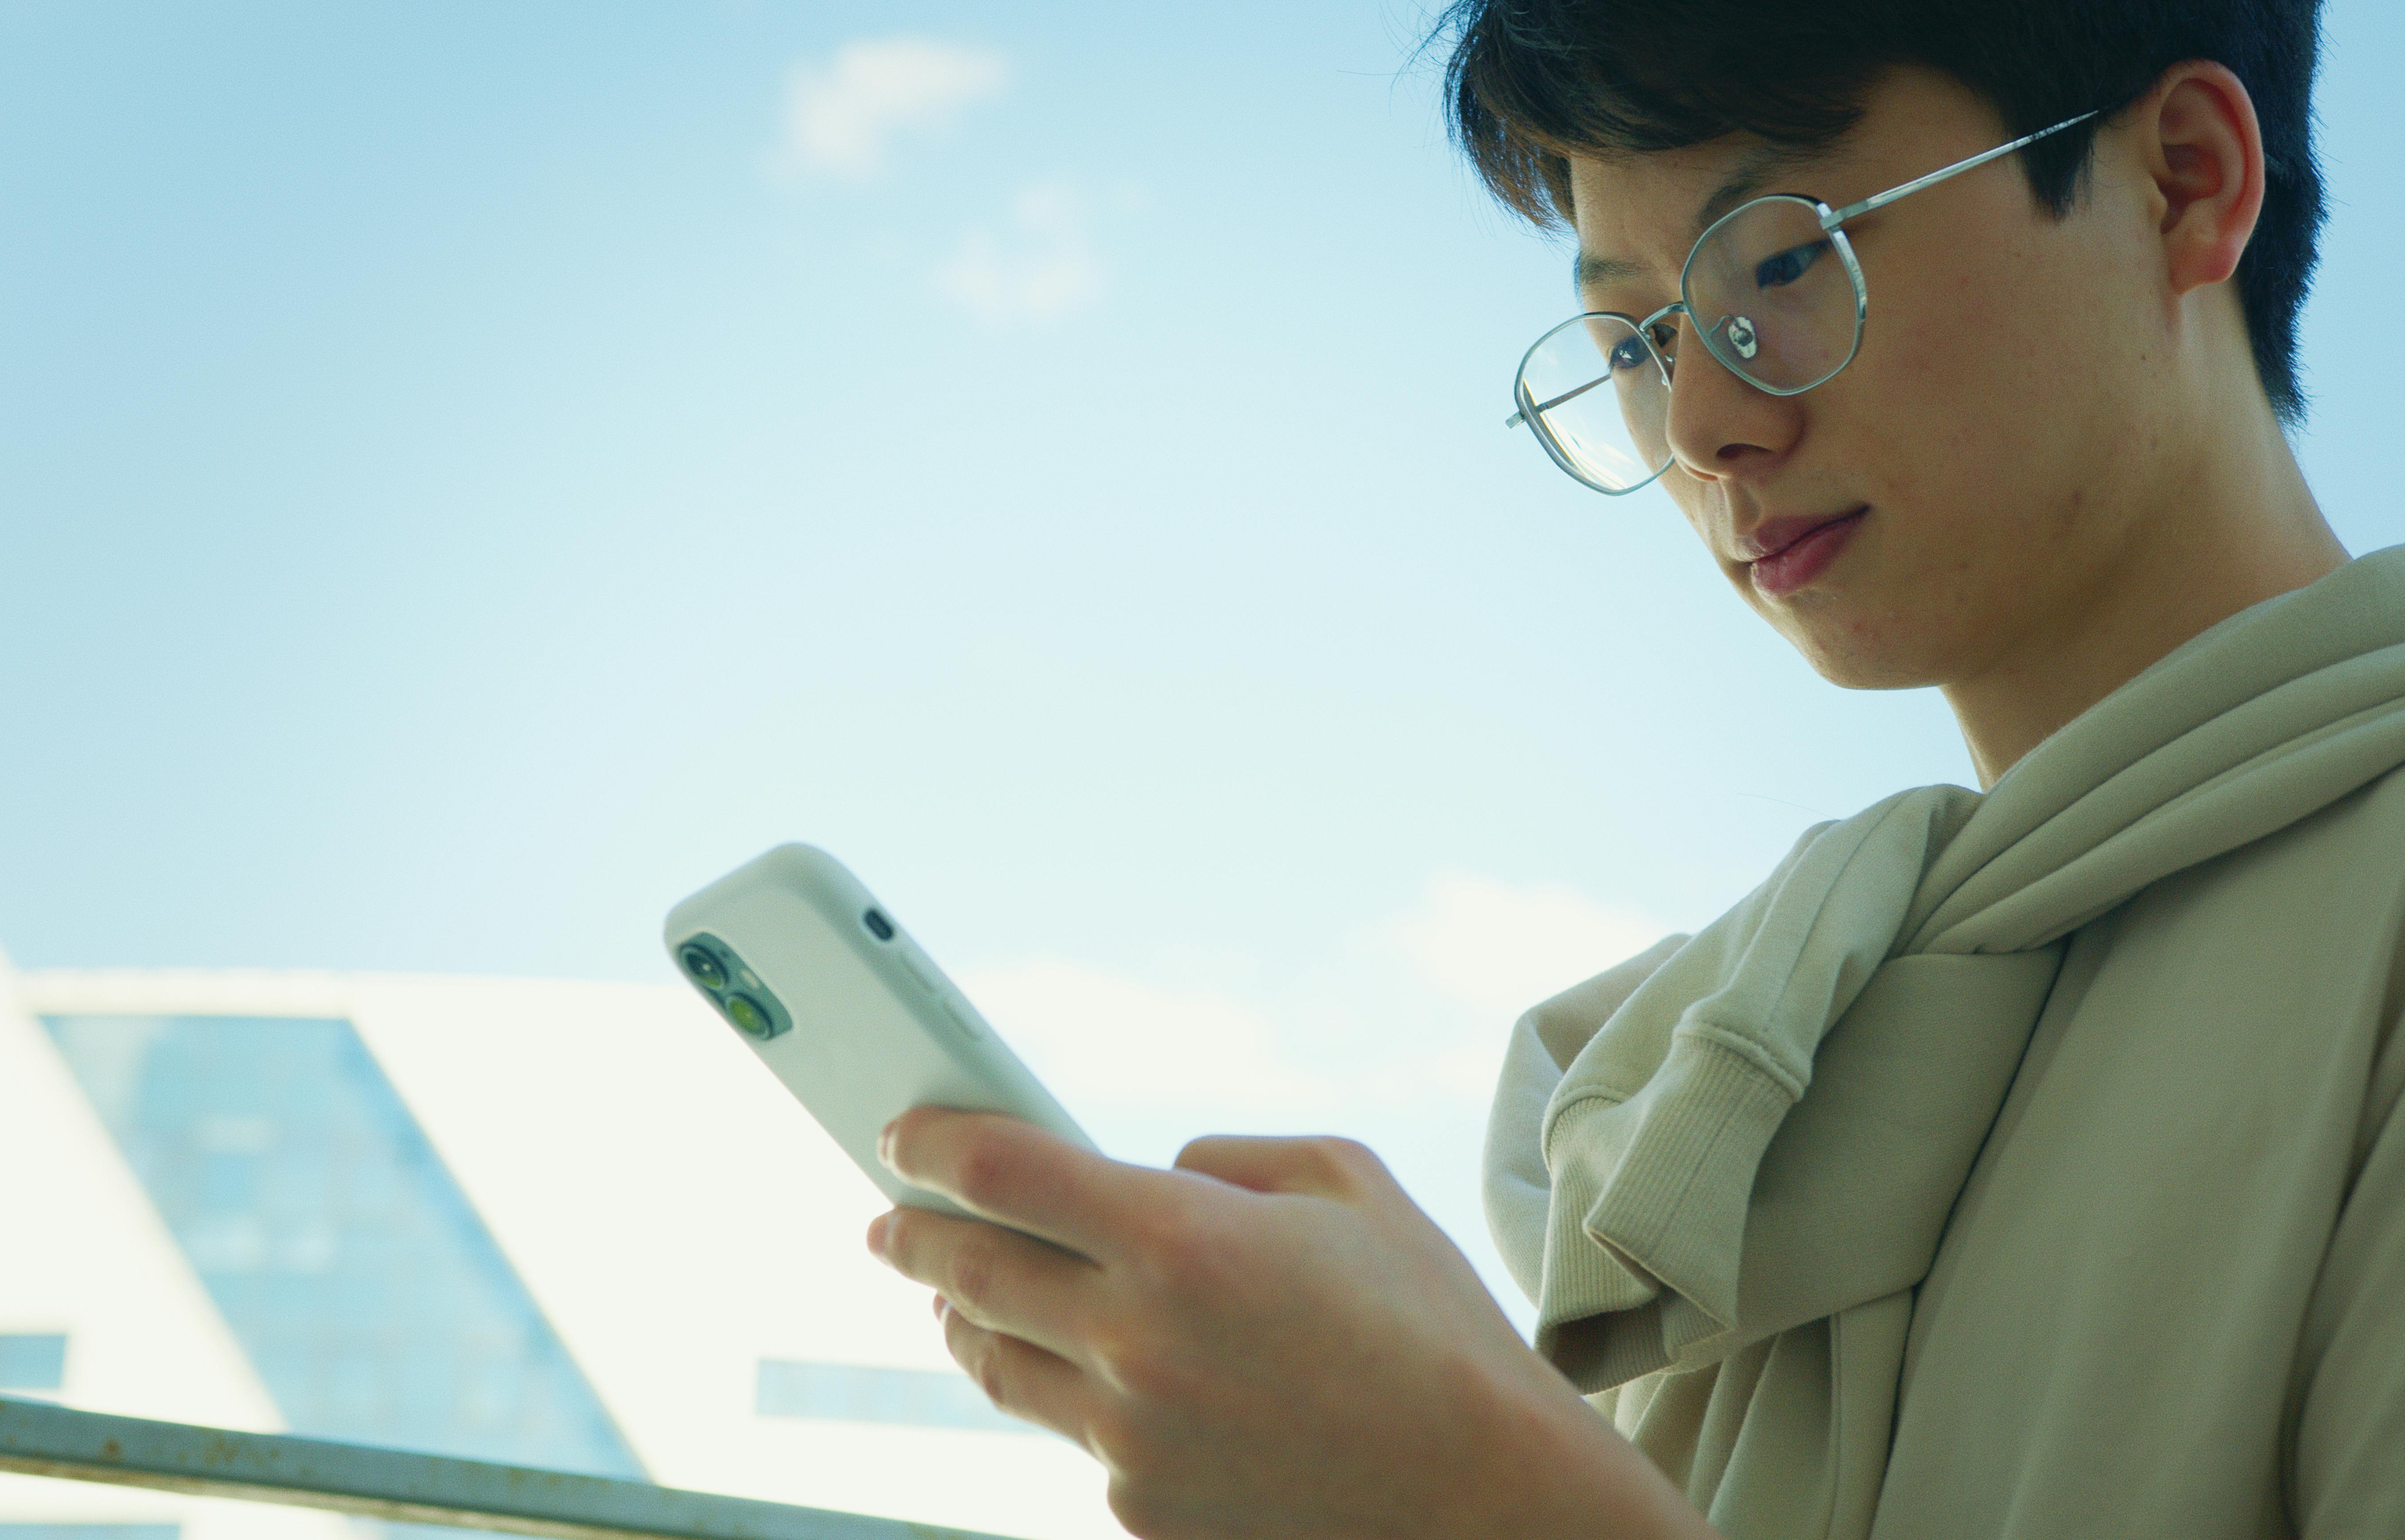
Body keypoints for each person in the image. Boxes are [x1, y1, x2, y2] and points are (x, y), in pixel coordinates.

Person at [865, 1, 2405, 1534]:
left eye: (1785, 263)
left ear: (2185, 180)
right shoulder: (1735, 1067)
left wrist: (1469, 1494)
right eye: (1640, 342)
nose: (1704, 423)